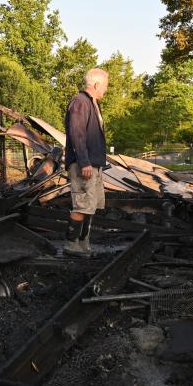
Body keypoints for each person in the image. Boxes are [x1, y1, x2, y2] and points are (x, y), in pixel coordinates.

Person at [63, 68, 109, 256]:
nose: (105, 90)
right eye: (105, 86)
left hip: (94, 164)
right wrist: (84, 162)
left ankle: (84, 244)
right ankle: (71, 245)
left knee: (91, 205)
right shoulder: (80, 102)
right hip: (85, 165)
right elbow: (77, 133)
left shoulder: (93, 103)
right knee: (82, 204)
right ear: (96, 84)